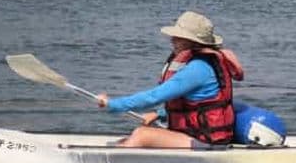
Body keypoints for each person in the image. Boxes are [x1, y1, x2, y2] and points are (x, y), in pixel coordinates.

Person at [98, 11, 244, 149]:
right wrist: (159, 114)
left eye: (178, 37)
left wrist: (112, 104)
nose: (172, 40)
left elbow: (153, 97)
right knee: (129, 139)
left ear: (191, 42)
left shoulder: (198, 69)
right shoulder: (201, 63)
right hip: (200, 137)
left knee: (142, 135)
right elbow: (195, 104)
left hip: (207, 141)